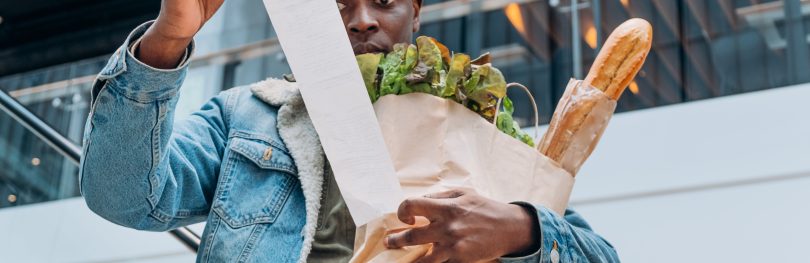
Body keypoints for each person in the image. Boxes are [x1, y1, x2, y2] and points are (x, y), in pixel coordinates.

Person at [79, 0, 620, 262]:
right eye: (339, 5)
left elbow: (601, 255)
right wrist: (169, 37)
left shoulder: (477, 125)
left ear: (414, 14)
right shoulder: (247, 114)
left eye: (383, 1)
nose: (361, 19)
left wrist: (521, 229)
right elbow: (123, 197)